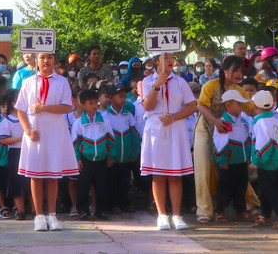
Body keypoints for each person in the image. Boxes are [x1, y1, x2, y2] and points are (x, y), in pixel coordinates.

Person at [14, 50, 78, 232]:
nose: (46, 61)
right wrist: (27, 130)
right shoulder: (27, 82)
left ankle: (52, 214)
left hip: (55, 131)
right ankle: (39, 215)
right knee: (36, 174)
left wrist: (44, 108)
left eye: (49, 57)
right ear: (36, 59)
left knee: (52, 174)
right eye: (42, 57)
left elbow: (67, 107)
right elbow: (20, 110)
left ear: (55, 60)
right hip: (35, 132)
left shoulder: (62, 81)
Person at [193, 55, 257, 223]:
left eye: (240, 71)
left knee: (237, 171)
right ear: (224, 70)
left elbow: (251, 109)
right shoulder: (211, 85)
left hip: (229, 133)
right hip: (206, 130)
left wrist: (266, 117)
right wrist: (215, 121)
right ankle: (204, 211)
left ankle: (247, 206)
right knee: (203, 169)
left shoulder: (240, 90)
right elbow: (200, 105)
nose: (238, 74)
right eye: (234, 70)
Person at [139, 52, 198, 231]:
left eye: (172, 57)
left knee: (175, 174)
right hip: (155, 128)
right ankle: (162, 214)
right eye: (166, 58)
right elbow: (147, 106)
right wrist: (157, 86)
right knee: (158, 175)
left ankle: (177, 215)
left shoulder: (180, 82)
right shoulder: (147, 82)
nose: (171, 61)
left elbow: (191, 105)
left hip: (175, 127)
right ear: (156, 61)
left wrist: (173, 117)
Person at [249, 90, 278, 230]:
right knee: (265, 189)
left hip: (265, 163)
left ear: (255, 106)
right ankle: (266, 214)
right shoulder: (274, 119)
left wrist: (256, 161)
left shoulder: (260, 123)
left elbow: (263, 145)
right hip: (275, 161)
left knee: (271, 191)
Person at [71, 88, 115, 221]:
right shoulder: (78, 123)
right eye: (90, 103)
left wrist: (111, 156)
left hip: (102, 159)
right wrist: (78, 159)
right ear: (83, 105)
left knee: (102, 185)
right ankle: (82, 210)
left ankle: (102, 210)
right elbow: (75, 143)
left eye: (96, 103)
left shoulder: (104, 121)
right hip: (85, 159)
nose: (94, 106)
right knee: (83, 185)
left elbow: (111, 140)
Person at [212, 90, 252, 222]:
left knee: (241, 188)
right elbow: (219, 143)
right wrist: (222, 160)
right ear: (228, 105)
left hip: (242, 161)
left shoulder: (243, 120)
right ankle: (219, 211)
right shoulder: (224, 122)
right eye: (238, 103)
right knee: (225, 188)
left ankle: (240, 211)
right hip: (229, 162)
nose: (241, 106)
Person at [103, 83, 140, 213]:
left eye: (124, 96)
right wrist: (109, 155)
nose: (123, 99)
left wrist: (134, 152)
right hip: (112, 158)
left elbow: (134, 135)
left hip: (126, 156)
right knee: (111, 181)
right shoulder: (105, 116)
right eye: (120, 96)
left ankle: (124, 202)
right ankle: (113, 204)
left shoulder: (127, 115)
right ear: (111, 98)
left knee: (124, 181)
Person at [0, 90, 28, 220]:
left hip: (29, 152)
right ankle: (21, 210)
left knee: (31, 180)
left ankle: (34, 210)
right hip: (15, 153)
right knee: (17, 182)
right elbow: (3, 139)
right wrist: (20, 138)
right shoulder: (7, 121)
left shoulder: (29, 118)